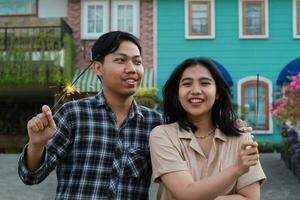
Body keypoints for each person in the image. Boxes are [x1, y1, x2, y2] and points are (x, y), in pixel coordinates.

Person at [18, 31, 163, 199]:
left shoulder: (154, 123)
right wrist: (37, 144)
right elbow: (31, 176)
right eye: (120, 60)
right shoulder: (72, 115)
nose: (132, 69)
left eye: (137, 62)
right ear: (98, 68)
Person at [149, 57, 266, 200]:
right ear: (177, 94)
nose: (196, 91)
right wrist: (237, 169)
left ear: (217, 92)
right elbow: (186, 194)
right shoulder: (163, 136)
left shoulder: (242, 138)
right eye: (187, 84)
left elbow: (251, 198)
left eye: (205, 83)